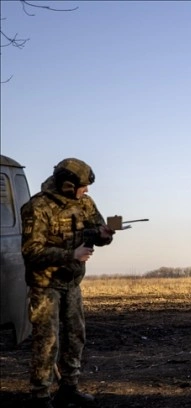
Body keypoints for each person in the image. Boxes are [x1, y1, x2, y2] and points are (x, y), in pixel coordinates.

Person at [21, 158, 115, 408]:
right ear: (66, 185)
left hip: (72, 282)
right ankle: (40, 396)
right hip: (45, 284)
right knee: (47, 340)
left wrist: (104, 235)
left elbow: (95, 230)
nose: (86, 191)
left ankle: (69, 388)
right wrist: (69, 255)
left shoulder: (85, 203)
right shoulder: (38, 207)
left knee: (76, 336)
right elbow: (31, 251)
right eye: (82, 186)